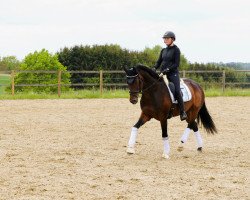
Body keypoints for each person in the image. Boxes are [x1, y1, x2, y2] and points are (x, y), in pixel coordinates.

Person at [153, 31, 187, 121]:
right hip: (162, 74)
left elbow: (176, 64)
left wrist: (167, 70)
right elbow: (159, 61)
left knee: (176, 90)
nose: (165, 40)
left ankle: (183, 112)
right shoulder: (163, 50)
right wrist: (154, 68)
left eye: (167, 38)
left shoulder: (176, 50)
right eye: (164, 39)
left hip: (173, 74)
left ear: (172, 39)